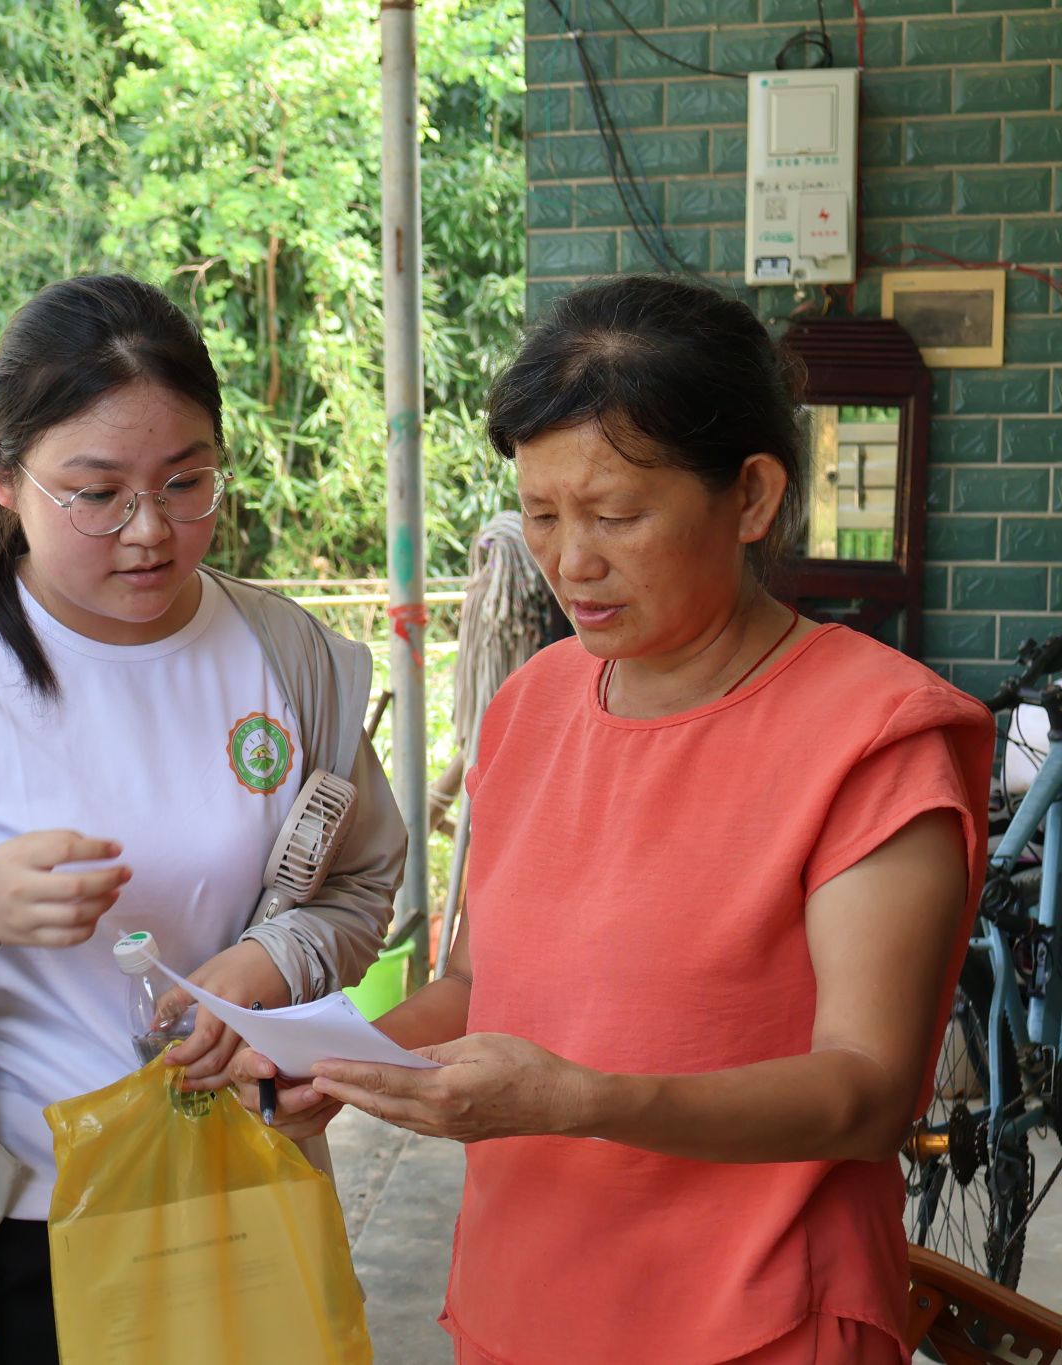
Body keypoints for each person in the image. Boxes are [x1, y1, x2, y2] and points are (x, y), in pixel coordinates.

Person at [234, 274, 993, 1364]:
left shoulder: (870, 737)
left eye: (615, 516)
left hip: (754, 1317)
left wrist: (579, 1099)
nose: (568, 561)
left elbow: (865, 1094)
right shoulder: (532, 705)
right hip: (524, 1298)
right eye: (539, 514)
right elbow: (472, 989)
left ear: (752, 497)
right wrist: (336, 1065)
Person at [0, 274, 406, 1365]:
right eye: (96, 492)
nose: (149, 531)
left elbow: (355, 883)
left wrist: (265, 967)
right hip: (26, 1231)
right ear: (2, 475)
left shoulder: (283, 659)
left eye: (186, 482)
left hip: (238, 1197)